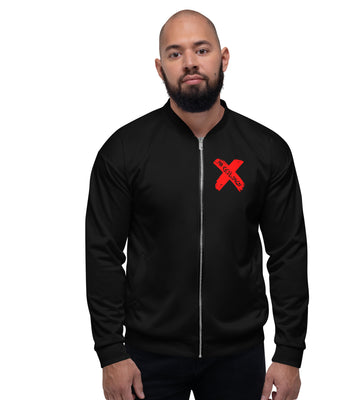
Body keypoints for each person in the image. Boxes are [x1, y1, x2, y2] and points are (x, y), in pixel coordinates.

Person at [85, 9, 309, 400]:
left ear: (224, 58)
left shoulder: (267, 151)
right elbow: (102, 253)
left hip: (238, 354)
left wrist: (289, 353)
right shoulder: (124, 151)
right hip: (146, 357)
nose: (189, 62)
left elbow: (287, 252)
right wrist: (110, 353)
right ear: (160, 68)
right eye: (175, 54)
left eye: (201, 50)